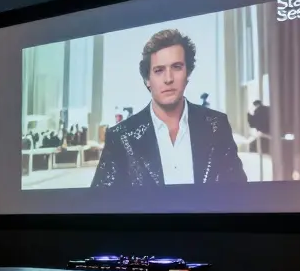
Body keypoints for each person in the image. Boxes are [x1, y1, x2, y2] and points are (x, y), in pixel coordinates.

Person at [91, 28, 247, 187]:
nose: (168, 78)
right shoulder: (120, 137)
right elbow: (99, 204)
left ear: (188, 73)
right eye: (159, 70)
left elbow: (238, 193)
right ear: (147, 80)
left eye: (177, 67)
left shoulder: (216, 125)